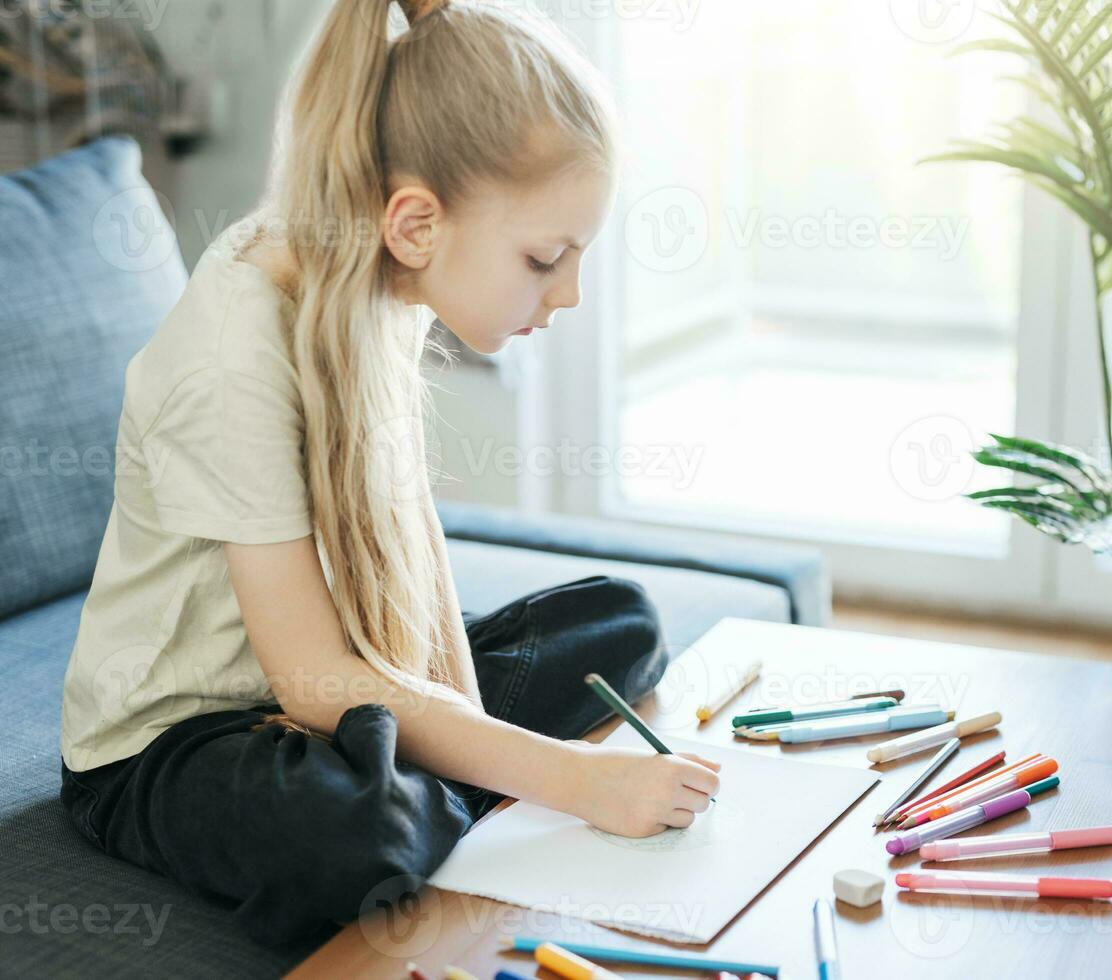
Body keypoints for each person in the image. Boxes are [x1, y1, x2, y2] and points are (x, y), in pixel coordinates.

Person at [58, 0, 721, 947]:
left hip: (338, 688)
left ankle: (422, 767)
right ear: (415, 221)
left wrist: (456, 707)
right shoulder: (233, 354)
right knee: (358, 838)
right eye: (545, 257)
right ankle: (417, 778)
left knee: (621, 621)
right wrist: (574, 780)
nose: (568, 292)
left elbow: (415, 549)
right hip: (189, 736)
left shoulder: (385, 277)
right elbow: (315, 684)